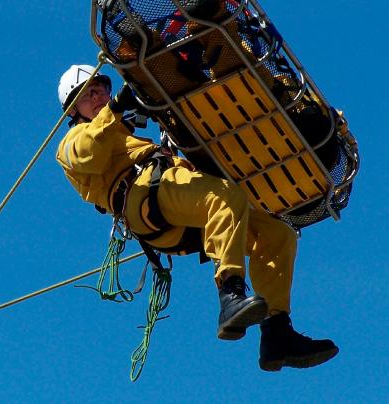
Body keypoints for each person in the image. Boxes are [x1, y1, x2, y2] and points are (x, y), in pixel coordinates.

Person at [55, 64, 338, 371]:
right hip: (143, 196)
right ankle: (230, 295)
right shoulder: (70, 143)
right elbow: (89, 153)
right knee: (225, 196)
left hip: (172, 205)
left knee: (276, 235)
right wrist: (116, 108)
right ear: (73, 109)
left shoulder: (121, 132)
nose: (98, 96)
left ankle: (277, 332)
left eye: (101, 89)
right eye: (88, 94)